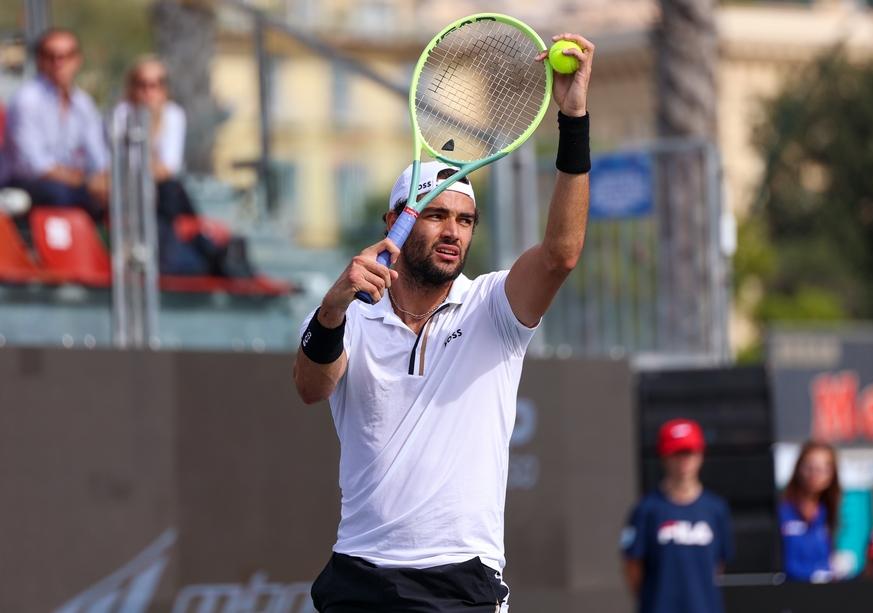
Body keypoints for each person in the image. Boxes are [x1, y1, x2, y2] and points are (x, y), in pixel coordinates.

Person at [293, 34, 594, 612]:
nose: (454, 231)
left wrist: (573, 117)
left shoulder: (493, 308)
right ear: (396, 222)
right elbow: (310, 388)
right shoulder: (346, 313)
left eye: (465, 219)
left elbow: (561, 255)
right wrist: (334, 307)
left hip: (462, 582)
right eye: (435, 216)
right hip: (360, 576)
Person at [112, 56, 252, 278]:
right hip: (133, 195)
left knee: (171, 194)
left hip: (166, 195)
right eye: (143, 84)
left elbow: (169, 167)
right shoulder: (121, 115)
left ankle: (210, 255)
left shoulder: (173, 114)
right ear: (132, 88)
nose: (150, 92)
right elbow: (130, 167)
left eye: (156, 84)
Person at [620, 419, 734, 613]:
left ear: (700, 455)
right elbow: (632, 566)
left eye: (689, 452)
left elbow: (719, 564)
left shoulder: (716, 509)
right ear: (664, 456)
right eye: (677, 453)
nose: (684, 460)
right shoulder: (646, 509)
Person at [2, 28, 108, 219]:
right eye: (51, 56)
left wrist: (102, 179)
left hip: (72, 182)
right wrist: (84, 181)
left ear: (78, 60)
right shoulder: (26, 101)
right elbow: (34, 165)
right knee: (62, 194)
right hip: (25, 184)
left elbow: (98, 156)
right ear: (40, 61)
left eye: (66, 56)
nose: (59, 63)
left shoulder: (83, 104)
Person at [778, 440, 841, 582]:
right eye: (809, 466)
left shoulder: (827, 513)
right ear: (799, 469)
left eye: (823, 468)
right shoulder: (783, 511)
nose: (815, 473)